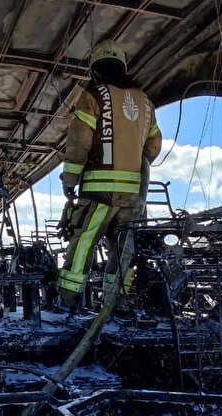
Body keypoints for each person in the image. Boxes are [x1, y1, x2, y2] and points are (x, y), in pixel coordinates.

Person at [55, 39, 163, 310]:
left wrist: (70, 182)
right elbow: (154, 145)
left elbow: (79, 141)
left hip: (99, 194)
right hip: (133, 198)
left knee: (83, 244)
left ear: (95, 69)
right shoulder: (145, 102)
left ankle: (67, 303)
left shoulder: (92, 94)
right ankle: (117, 305)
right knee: (122, 251)